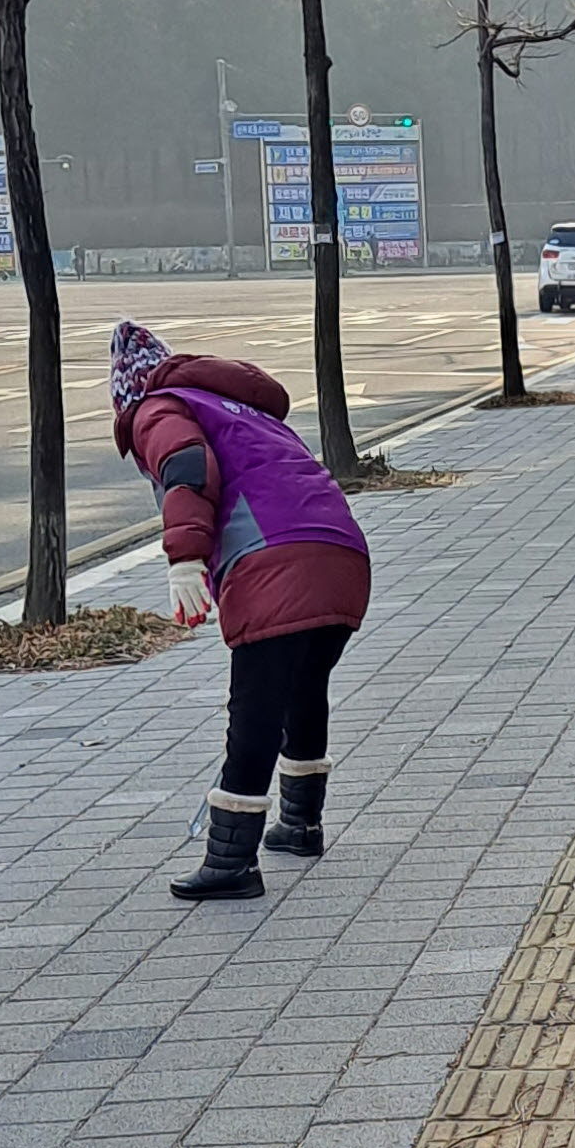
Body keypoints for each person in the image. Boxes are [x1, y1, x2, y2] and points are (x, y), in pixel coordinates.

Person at [112, 321, 373, 902]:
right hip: (344, 551)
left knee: (255, 707)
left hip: (276, 558)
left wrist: (184, 559)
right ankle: (301, 826)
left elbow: (184, 465)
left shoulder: (159, 408)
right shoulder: (239, 407)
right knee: (304, 690)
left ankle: (230, 860)